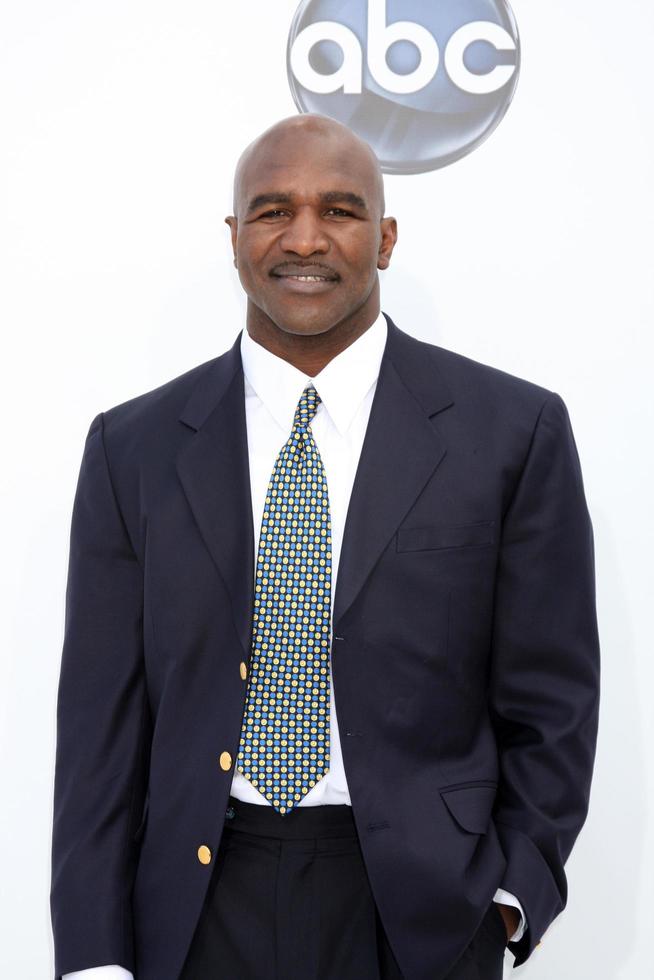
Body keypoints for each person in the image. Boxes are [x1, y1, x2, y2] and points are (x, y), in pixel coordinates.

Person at [50, 114, 601, 980]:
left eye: (339, 210)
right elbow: (99, 728)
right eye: (272, 211)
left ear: (383, 239)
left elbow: (553, 699)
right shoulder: (134, 448)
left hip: (423, 914)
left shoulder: (512, 432)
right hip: (192, 911)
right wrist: (90, 953)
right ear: (233, 239)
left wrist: (510, 893)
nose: (304, 238)